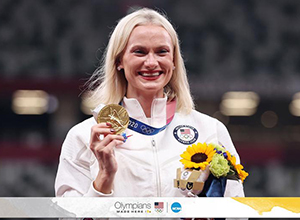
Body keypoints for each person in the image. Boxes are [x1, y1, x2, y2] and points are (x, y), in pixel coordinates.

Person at [55, 7, 245, 219]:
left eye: (162, 52)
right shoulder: (84, 137)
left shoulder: (210, 131)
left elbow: (236, 212)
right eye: (140, 52)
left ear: (174, 61)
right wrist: (104, 179)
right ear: (119, 60)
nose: (152, 63)